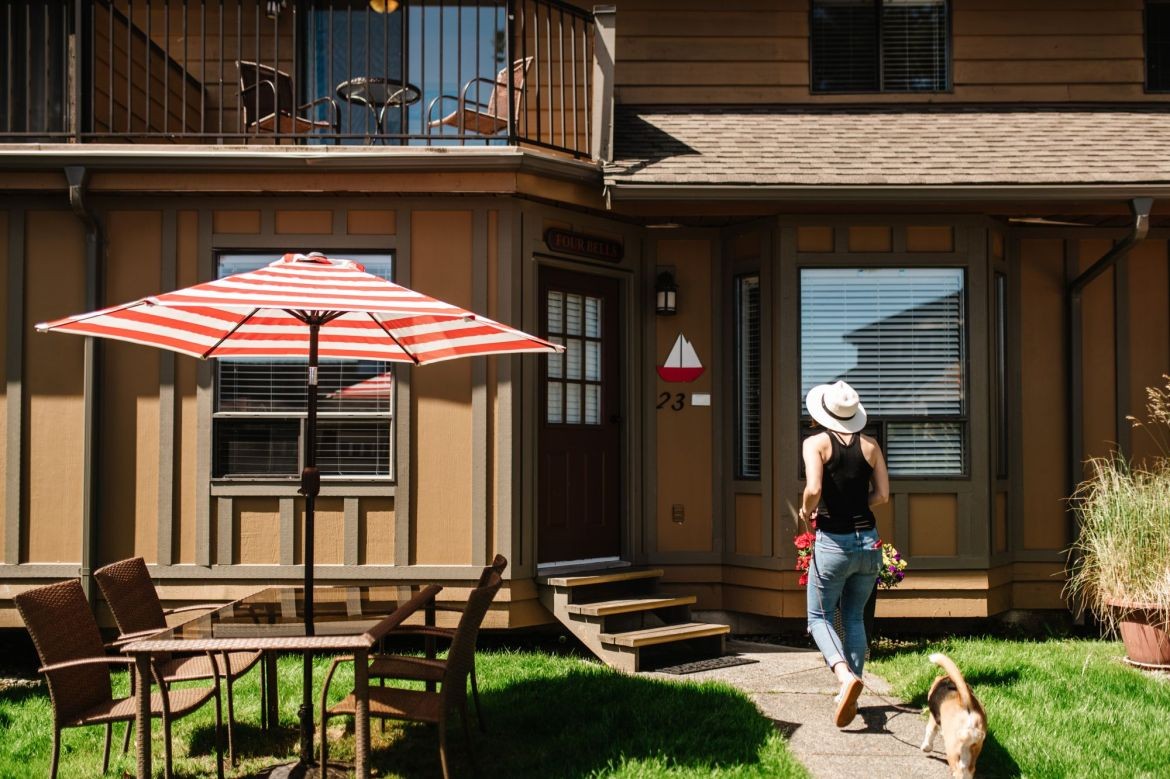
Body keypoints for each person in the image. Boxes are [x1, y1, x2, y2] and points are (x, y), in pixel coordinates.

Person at [799, 380, 889, 728]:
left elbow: (814, 488)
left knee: (818, 618)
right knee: (853, 618)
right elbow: (881, 495)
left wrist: (808, 511)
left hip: (833, 544)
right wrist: (857, 505)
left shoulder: (815, 443)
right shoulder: (871, 446)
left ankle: (843, 677)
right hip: (869, 544)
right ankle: (851, 693)